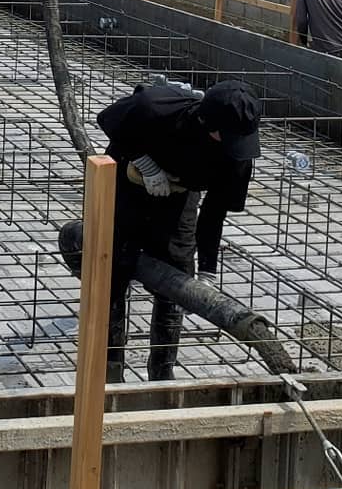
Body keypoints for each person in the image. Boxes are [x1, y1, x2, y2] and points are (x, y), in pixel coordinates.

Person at [96, 79, 262, 381]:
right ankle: (110, 371)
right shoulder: (156, 108)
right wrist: (146, 165)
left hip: (180, 196)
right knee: (113, 267)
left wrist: (208, 270)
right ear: (206, 123)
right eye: (226, 136)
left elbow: (213, 212)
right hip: (127, 185)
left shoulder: (237, 153)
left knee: (175, 274)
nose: (234, 146)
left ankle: (162, 373)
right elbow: (108, 119)